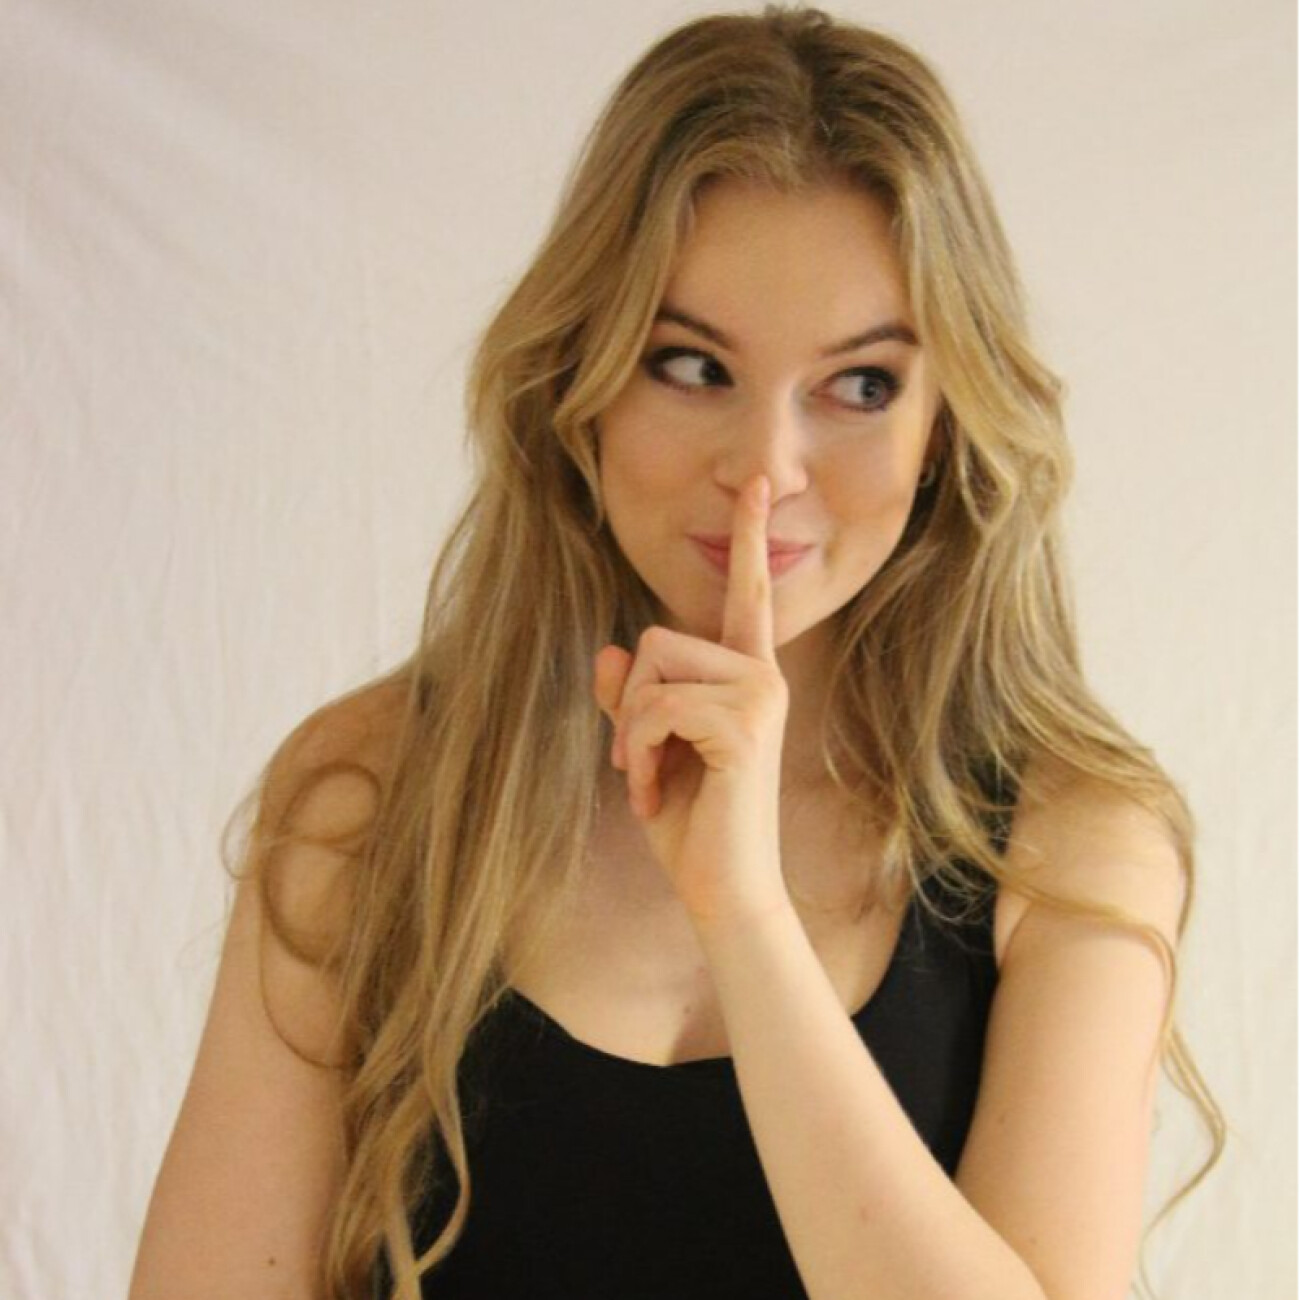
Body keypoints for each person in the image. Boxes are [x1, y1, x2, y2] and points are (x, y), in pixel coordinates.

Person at [128, 6, 1225, 1299]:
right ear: (579, 380)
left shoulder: (1074, 843)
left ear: (947, 424)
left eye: (862, 384)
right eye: (692, 365)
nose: (765, 468)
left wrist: (745, 917)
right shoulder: (369, 797)